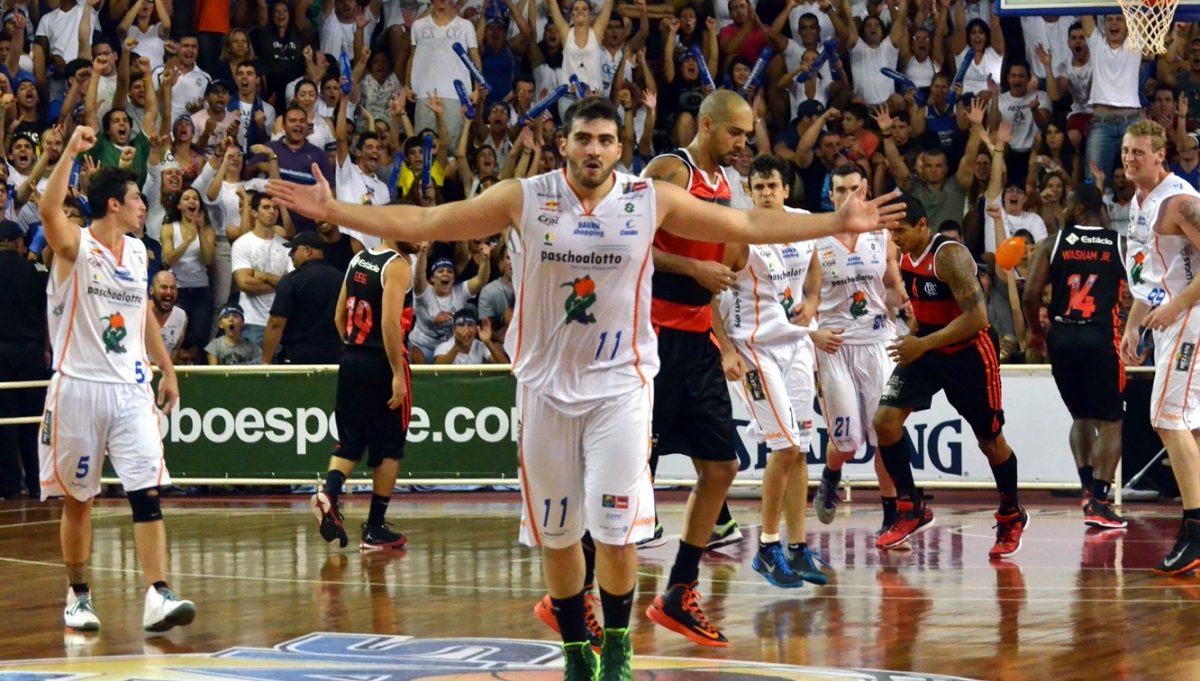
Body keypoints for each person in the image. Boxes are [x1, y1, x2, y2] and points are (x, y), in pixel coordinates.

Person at [266, 96, 903, 677]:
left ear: (619, 149)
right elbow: (431, 217)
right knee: (560, 533)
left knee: (620, 529)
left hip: (621, 386)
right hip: (544, 390)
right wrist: (335, 212)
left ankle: (618, 647)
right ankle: (576, 651)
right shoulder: (525, 196)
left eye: (604, 140)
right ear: (563, 145)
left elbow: (746, 229)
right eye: (582, 139)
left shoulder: (648, 198)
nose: (593, 149)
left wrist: (834, 221)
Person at [38, 126, 194, 633]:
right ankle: (78, 595)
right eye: (135, 200)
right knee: (79, 500)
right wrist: (69, 151)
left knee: (146, 491)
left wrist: (166, 366)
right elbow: (49, 211)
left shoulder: (138, 252)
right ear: (112, 205)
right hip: (78, 386)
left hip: (130, 389)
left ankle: (158, 594)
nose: (143, 207)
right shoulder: (76, 246)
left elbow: (141, 312)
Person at [875, 194, 1028, 560]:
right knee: (884, 422)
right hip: (928, 346)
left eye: (901, 231)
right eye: (892, 232)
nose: (896, 238)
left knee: (990, 442)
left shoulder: (949, 256)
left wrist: (921, 343)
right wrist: (915, 329)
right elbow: (927, 304)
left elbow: (977, 318)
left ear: (922, 226)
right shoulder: (905, 255)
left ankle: (1011, 514)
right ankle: (911, 507)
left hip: (969, 352)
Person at [717, 154, 829, 588]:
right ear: (750, 192)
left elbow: (815, 269)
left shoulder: (802, 223)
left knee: (800, 450)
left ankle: (797, 548)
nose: (765, 193)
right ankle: (767, 547)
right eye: (758, 187)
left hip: (796, 345)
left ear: (786, 189)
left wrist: (813, 301)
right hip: (754, 349)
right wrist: (726, 349)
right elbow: (708, 293)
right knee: (784, 448)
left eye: (772, 186)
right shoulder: (738, 232)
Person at [1118, 120, 1200, 574]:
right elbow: (1150, 275)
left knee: (1166, 417)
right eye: (1126, 151)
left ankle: (1195, 532)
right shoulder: (1140, 201)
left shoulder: (1179, 201)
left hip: (1191, 315)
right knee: (1190, 425)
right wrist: (1133, 325)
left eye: (1138, 152)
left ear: (1159, 155)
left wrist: (1174, 308)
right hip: (1172, 315)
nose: (1129, 158)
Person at [805, 164, 904, 535]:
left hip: (878, 343)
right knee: (847, 443)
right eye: (840, 190)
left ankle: (892, 517)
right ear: (831, 196)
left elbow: (892, 284)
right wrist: (813, 332)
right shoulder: (815, 239)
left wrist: (902, 299)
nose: (847, 196)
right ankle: (831, 475)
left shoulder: (881, 233)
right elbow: (802, 299)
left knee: (885, 436)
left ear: (865, 192)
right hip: (836, 346)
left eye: (854, 189)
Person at [1022, 184, 1127, 530]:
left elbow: (1030, 295)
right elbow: (1139, 290)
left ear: (1080, 209)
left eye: (1068, 204)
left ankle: (1086, 490)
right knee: (1110, 421)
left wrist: (1036, 332)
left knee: (1080, 415)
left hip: (1062, 336)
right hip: (1100, 336)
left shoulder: (1052, 243)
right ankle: (1100, 500)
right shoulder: (1119, 244)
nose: (1064, 210)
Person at [310, 238, 413, 551]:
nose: (423, 236)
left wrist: (355, 349)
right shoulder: (396, 266)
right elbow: (389, 323)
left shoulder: (358, 260)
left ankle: (329, 493)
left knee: (350, 441)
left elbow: (338, 317)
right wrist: (397, 372)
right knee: (390, 448)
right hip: (382, 361)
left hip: (352, 357)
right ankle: (375, 528)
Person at [0, 220, 47, 500]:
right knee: (33, 421)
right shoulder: (34, 271)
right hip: (31, 351)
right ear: (19, 243)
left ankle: (9, 488)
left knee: (4, 422)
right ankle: (38, 483)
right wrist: (46, 348)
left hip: (1, 352)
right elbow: (45, 314)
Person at [262, 231, 345, 364]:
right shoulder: (341, 279)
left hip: (298, 356)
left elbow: (276, 322)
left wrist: (265, 361)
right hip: (334, 355)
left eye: (294, 250)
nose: (290, 254)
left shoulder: (291, 280)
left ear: (307, 250)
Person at [230, 193, 292, 348]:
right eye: (266, 207)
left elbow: (293, 285)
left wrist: (264, 276)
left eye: (275, 208)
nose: (272, 211)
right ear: (254, 212)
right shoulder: (242, 244)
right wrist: (281, 284)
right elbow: (245, 284)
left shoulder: (286, 246)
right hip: (252, 322)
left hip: (283, 321)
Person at [433, 307, 508, 364]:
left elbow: (505, 365)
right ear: (454, 330)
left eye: (470, 325)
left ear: (476, 329)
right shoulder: (444, 347)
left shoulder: (481, 346)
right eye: (461, 325)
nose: (466, 329)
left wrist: (488, 342)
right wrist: (456, 348)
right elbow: (439, 370)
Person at [150, 270, 188, 364]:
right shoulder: (140, 312)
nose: (169, 292)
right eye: (164, 287)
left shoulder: (181, 316)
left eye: (173, 288)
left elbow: (175, 349)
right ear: (151, 290)